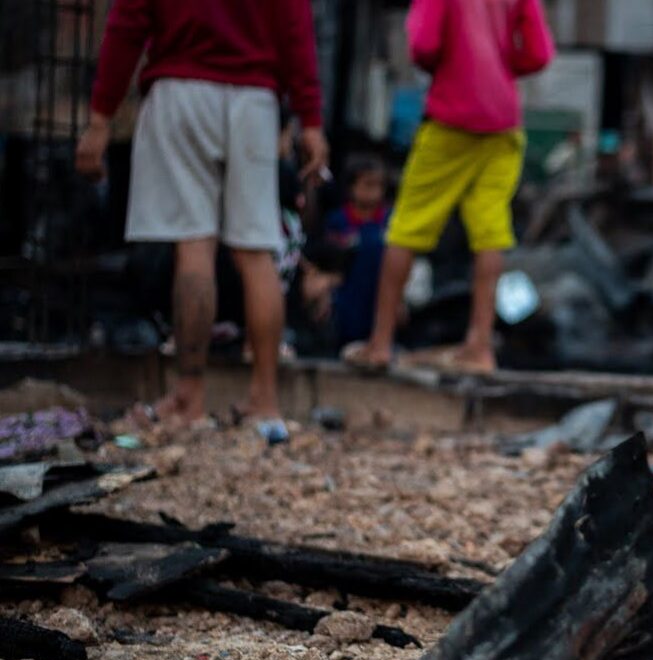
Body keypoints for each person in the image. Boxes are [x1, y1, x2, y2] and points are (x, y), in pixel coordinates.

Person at [76, 0, 328, 443]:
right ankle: (265, 402)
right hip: (254, 97)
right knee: (257, 250)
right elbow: (296, 27)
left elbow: (129, 22)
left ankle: (190, 397)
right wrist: (309, 119)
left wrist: (101, 117)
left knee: (194, 245)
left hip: (181, 91)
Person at [344, 0, 555, 375]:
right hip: (503, 120)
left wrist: (453, 66)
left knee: (407, 225)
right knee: (490, 229)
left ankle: (380, 344)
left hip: (452, 114)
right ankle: (480, 346)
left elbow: (423, 45)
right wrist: (501, 63)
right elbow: (538, 53)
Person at [323, 157, 390, 348]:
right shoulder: (338, 221)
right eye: (367, 185)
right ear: (351, 187)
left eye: (378, 185)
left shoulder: (389, 221)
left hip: (378, 290)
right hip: (346, 294)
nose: (373, 191)